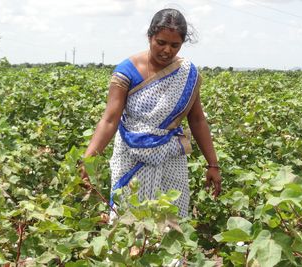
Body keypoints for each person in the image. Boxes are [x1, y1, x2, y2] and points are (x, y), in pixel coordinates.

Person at [80, 8, 221, 218]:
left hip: (170, 157)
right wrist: (88, 160)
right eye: (161, 42)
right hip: (131, 155)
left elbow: (197, 119)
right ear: (150, 37)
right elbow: (110, 119)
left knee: (171, 219)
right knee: (129, 220)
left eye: (175, 45)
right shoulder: (127, 71)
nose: (167, 50)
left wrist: (213, 164)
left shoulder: (186, 73)